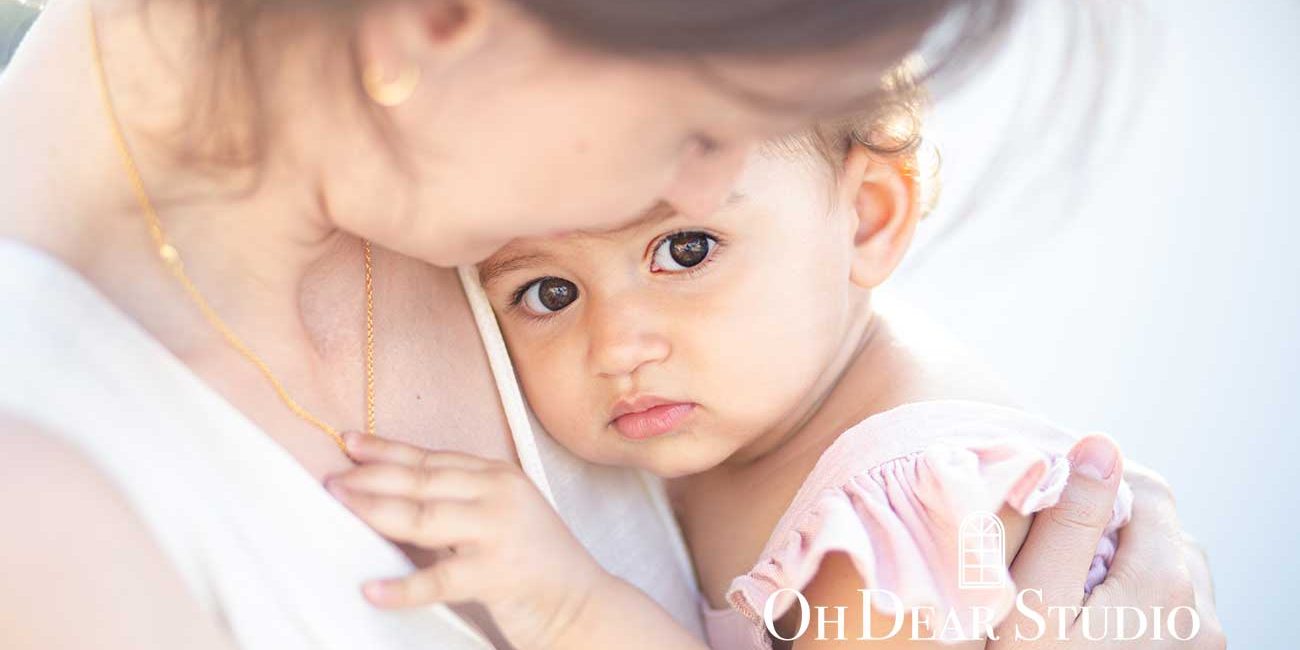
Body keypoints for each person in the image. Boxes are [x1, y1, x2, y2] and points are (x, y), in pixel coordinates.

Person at [0, 0, 1222, 648]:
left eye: (687, 247)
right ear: (443, 19)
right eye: (696, 121)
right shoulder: (51, 505)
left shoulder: (474, 161)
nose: (703, 187)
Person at [319, 66, 1204, 649]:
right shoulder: (761, 411)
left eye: (688, 250)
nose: (618, 346)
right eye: (549, 293)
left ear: (866, 219)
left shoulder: (904, 511)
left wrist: (570, 606)